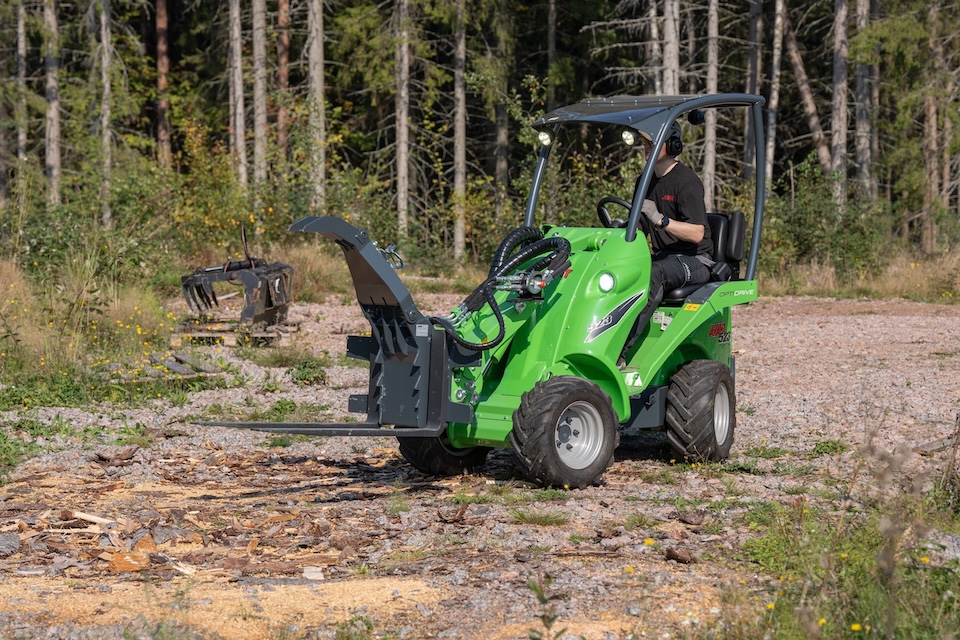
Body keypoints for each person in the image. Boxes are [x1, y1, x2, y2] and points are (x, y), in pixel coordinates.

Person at [619, 122, 713, 367]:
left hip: (695, 259)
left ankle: (619, 351)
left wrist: (661, 220)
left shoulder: (687, 182)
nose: (646, 148)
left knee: (655, 272)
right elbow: (638, 227)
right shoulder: (644, 181)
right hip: (663, 256)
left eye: (652, 143)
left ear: (672, 145)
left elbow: (697, 234)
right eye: (644, 144)